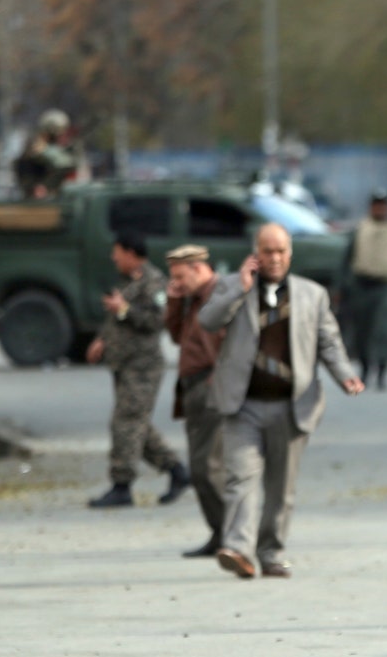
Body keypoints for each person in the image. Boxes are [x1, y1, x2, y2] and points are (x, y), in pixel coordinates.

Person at [199, 224, 363, 579]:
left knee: (280, 488)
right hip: (243, 405)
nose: (274, 258)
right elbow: (208, 321)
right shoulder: (231, 285)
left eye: (280, 251)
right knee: (239, 479)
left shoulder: (312, 295)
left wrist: (344, 374)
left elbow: (329, 342)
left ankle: (270, 552)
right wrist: (239, 291)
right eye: (267, 251)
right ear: (255, 252)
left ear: (290, 254)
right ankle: (238, 549)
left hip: (292, 405)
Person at [86, 232, 190, 508]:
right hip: (123, 364)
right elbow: (116, 319)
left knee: (126, 423)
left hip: (142, 367)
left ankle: (122, 485)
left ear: (131, 253)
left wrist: (125, 309)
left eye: (117, 252)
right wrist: (102, 339)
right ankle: (177, 471)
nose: (114, 258)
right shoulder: (129, 282)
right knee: (136, 424)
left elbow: (157, 320)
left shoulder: (153, 282)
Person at [164, 244, 225, 557]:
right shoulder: (192, 299)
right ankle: (221, 534)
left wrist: (224, 378)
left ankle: (234, 535)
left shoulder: (220, 296)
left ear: (199, 269)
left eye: (180, 277)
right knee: (202, 468)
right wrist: (175, 302)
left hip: (211, 387)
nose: (176, 284)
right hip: (191, 390)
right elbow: (176, 337)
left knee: (207, 468)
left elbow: (238, 340)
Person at [342, 190, 387, 390]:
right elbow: (346, 260)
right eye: (376, 205)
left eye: (383, 205)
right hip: (362, 286)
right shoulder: (360, 229)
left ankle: (382, 371)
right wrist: (341, 286)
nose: (380, 209)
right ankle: (365, 368)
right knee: (362, 331)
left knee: (384, 331)